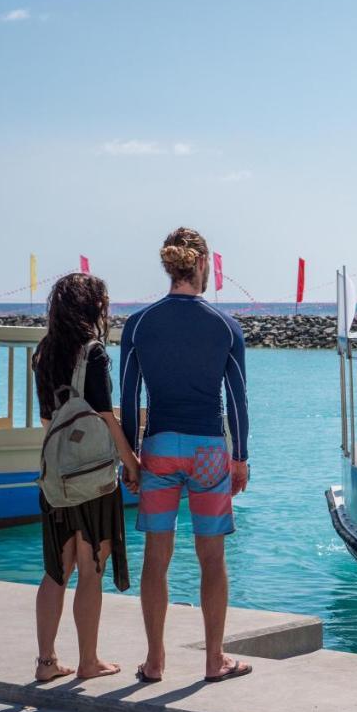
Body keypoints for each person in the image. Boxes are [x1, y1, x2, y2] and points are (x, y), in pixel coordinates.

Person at [120, 227, 252, 684]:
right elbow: (237, 400)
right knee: (211, 557)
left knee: (156, 556)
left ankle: (155, 662)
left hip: (157, 448)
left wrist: (130, 457)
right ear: (201, 265)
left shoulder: (138, 324)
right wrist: (241, 457)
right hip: (209, 452)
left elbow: (128, 392)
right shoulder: (224, 325)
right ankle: (214, 660)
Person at [32, 272, 140, 682]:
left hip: (56, 478)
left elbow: (48, 419)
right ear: (92, 307)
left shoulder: (43, 353)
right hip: (92, 479)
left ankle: (46, 662)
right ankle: (88, 662)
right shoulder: (92, 353)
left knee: (56, 570)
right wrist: (131, 463)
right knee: (91, 566)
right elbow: (105, 417)